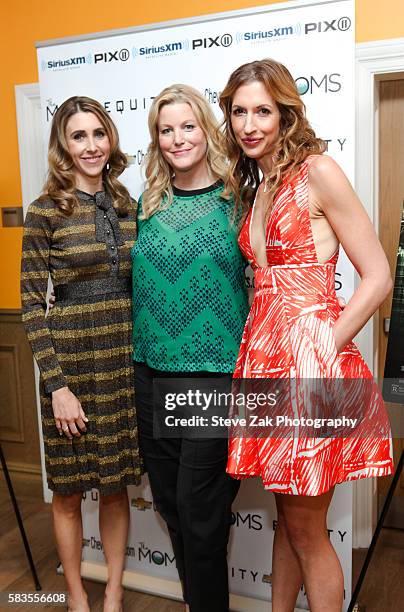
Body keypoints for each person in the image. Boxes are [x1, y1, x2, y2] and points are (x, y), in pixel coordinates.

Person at [219, 59, 394, 612]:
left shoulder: (317, 171)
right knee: (287, 521)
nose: (250, 124)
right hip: (266, 363)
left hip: (310, 368)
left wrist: (326, 342)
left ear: (285, 113)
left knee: (307, 530)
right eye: (239, 111)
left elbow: (379, 274)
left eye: (262, 111)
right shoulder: (259, 183)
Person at [21, 96, 142, 612]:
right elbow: (30, 305)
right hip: (70, 365)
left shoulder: (127, 202)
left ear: (109, 139)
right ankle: (75, 593)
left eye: (98, 133)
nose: (91, 145)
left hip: (122, 357)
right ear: (62, 147)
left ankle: (113, 589)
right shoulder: (44, 211)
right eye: (78, 136)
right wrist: (57, 388)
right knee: (69, 492)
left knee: (115, 488)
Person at [131, 84, 249, 612]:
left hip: (210, 378)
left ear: (207, 129)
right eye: (165, 129)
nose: (177, 138)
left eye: (187, 126)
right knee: (172, 508)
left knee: (200, 513)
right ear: (156, 139)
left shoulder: (239, 200)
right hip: (149, 375)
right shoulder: (148, 203)